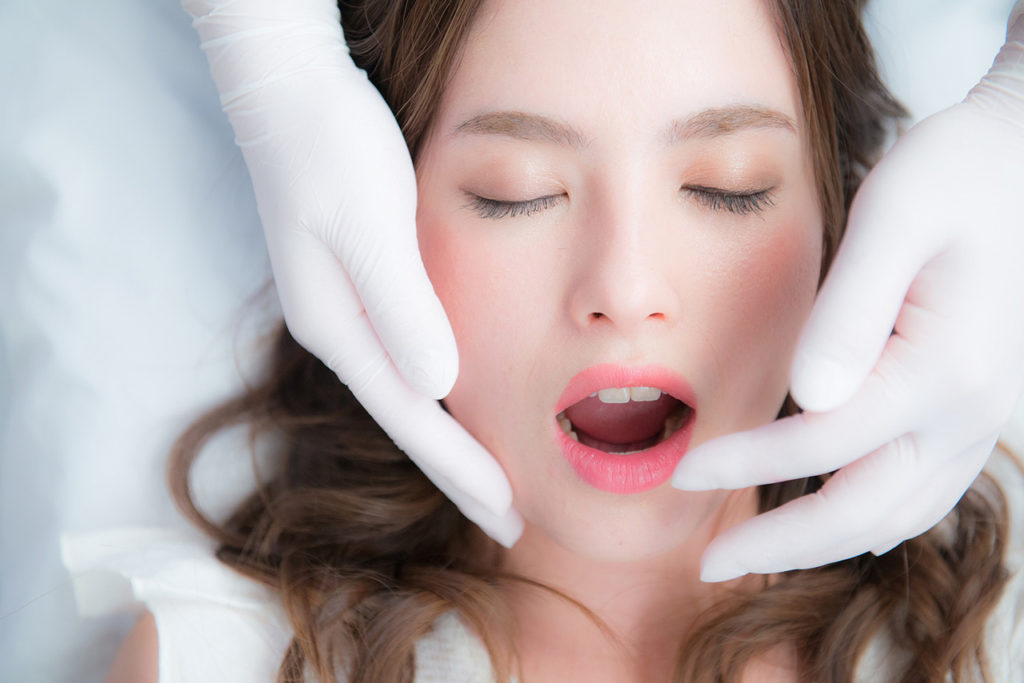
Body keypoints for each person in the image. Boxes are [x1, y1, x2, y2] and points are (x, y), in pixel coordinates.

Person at [100, 0, 1022, 680]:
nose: (625, 288)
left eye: (727, 186)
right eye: (517, 192)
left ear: (842, 217)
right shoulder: (224, 659)